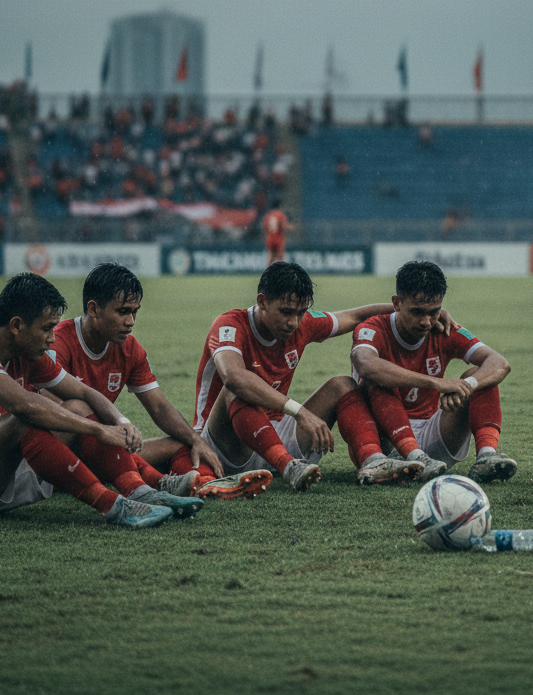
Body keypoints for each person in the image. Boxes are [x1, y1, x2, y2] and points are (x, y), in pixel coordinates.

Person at [0, 272, 175, 528]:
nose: (52, 338)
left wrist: (119, 420)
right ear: (17, 326)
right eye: (47, 328)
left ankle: (141, 492)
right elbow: (24, 406)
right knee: (26, 417)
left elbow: (83, 393)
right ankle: (114, 505)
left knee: (78, 408)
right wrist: (98, 429)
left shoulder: (26, 353)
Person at [192, 261, 454, 491]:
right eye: (286, 312)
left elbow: (354, 315)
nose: (294, 322)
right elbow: (234, 378)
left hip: (276, 436)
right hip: (224, 446)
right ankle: (288, 466)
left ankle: (373, 462)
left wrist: (418, 310)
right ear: (262, 301)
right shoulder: (230, 324)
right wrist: (301, 413)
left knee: (342, 384)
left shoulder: (301, 325)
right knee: (237, 388)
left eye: (301, 312)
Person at [50, 263, 269, 503]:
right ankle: (158, 482)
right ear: (93, 309)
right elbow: (52, 415)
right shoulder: (57, 341)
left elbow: (159, 407)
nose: (131, 321)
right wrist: (108, 428)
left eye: (135, 311)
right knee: (81, 409)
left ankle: (207, 485)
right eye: (123, 311)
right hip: (56, 452)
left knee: (181, 443)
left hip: (104, 444)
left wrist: (196, 440)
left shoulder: (129, 349)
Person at [350, 261, 516, 484]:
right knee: (374, 380)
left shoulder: (443, 327)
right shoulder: (373, 327)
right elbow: (365, 364)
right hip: (384, 443)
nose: (426, 322)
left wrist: (468, 386)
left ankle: (486, 458)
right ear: (396, 303)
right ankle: (413, 456)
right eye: (417, 312)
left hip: (433, 434)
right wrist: (436, 384)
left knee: (480, 375)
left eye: (434, 312)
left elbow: (499, 363)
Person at [262, 199, 291, 265]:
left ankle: (268, 272)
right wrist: (291, 228)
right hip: (278, 238)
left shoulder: (268, 215)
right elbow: (283, 226)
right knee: (280, 257)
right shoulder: (280, 214)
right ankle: (282, 273)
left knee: (271, 257)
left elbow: (265, 227)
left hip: (270, 238)